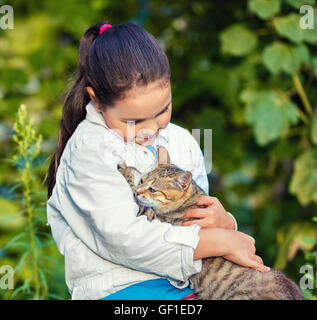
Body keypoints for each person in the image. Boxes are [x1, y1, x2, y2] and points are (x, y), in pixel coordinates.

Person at [45, 22, 270, 300]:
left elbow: (191, 217)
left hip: (186, 284)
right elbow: (123, 240)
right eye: (134, 121)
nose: (151, 130)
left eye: (163, 110)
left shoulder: (181, 140)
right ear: (98, 101)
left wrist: (224, 224)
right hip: (122, 290)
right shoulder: (89, 149)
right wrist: (214, 241)